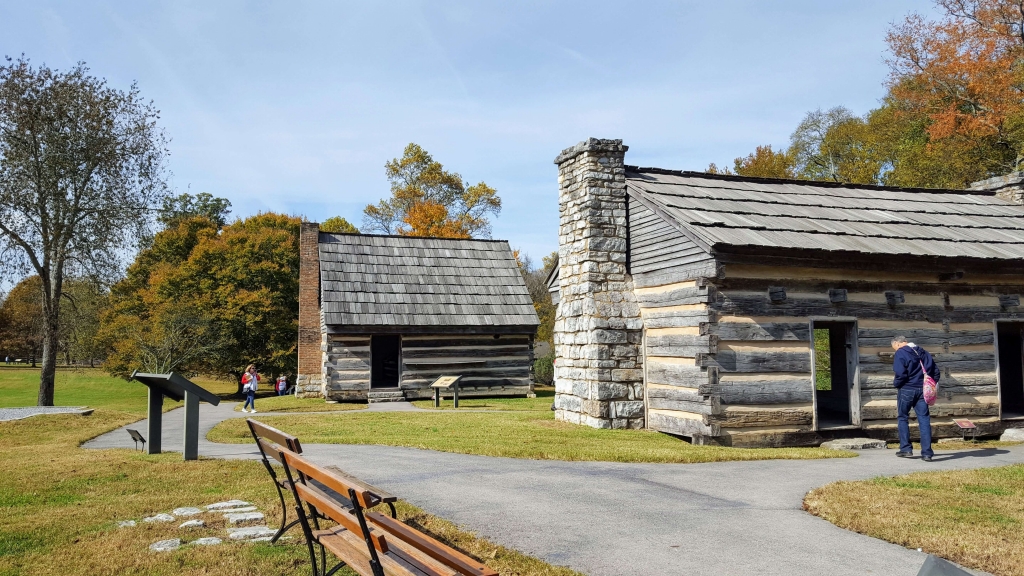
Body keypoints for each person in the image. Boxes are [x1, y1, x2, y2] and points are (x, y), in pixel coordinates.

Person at [891, 335, 939, 462]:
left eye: (894, 347)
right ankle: (927, 453)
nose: (895, 350)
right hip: (923, 390)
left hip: (907, 389)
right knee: (924, 420)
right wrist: (930, 385)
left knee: (903, 417)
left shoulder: (901, 353)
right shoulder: (924, 352)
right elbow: (936, 372)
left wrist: (897, 384)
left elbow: (900, 373)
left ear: (898, 343)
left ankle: (906, 449)